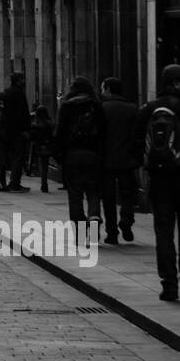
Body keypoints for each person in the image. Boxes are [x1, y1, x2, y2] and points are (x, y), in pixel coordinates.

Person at [131, 64, 180, 302]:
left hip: (160, 179)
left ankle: (169, 285)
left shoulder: (149, 109)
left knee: (164, 232)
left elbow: (136, 143)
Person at [53, 77, 105, 241]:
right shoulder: (96, 105)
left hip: (72, 155)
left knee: (75, 195)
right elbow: (104, 131)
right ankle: (94, 217)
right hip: (93, 154)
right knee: (93, 191)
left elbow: (59, 133)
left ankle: (82, 234)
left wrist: (59, 156)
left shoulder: (67, 106)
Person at [99, 77, 138, 246]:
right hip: (127, 159)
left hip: (106, 160)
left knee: (108, 198)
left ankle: (112, 232)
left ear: (107, 89)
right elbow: (137, 135)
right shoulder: (132, 108)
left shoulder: (100, 108)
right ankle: (126, 220)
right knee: (128, 193)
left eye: (102, 88)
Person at [0, 73, 32, 192]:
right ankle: (14, 183)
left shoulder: (6, 94)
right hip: (16, 132)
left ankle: (0, 183)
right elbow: (21, 114)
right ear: (18, 81)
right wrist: (24, 130)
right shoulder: (19, 93)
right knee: (17, 158)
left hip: (6, 132)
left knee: (3, 159)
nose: (24, 81)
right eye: (22, 79)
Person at [28, 105, 55, 193]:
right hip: (47, 146)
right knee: (45, 166)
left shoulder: (36, 124)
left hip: (39, 147)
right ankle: (44, 184)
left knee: (41, 165)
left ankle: (43, 183)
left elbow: (32, 136)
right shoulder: (50, 123)